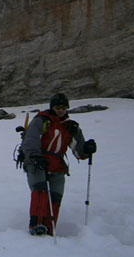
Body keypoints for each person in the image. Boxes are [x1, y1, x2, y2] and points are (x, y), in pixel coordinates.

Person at [20, 93, 97, 236]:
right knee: (40, 191)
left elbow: (79, 152)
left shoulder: (71, 127)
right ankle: (36, 225)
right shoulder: (42, 121)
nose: (61, 110)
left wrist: (87, 149)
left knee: (56, 196)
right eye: (57, 107)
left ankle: (49, 227)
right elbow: (31, 139)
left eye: (64, 107)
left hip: (57, 165)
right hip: (37, 161)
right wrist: (35, 155)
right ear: (52, 107)